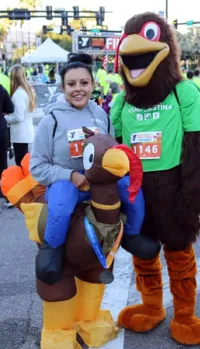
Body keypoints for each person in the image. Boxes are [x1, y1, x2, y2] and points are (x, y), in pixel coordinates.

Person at [30, 57, 158, 285]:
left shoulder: (101, 116)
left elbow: (113, 150)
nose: (78, 89)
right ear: (63, 88)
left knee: (131, 189)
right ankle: (53, 249)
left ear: (92, 85)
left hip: (101, 184)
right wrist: (69, 175)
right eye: (71, 84)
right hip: (67, 183)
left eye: (84, 83)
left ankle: (132, 235)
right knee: (62, 201)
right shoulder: (51, 121)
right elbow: (37, 167)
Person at [5, 65, 36, 167]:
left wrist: (5, 118)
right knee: (25, 163)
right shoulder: (29, 90)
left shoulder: (18, 94)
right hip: (26, 133)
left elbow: (18, 117)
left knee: (21, 163)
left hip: (20, 134)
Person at [0, 84, 14, 208]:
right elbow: (10, 108)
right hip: (1, 131)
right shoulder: (1, 89)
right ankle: (7, 196)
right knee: (3, 165)